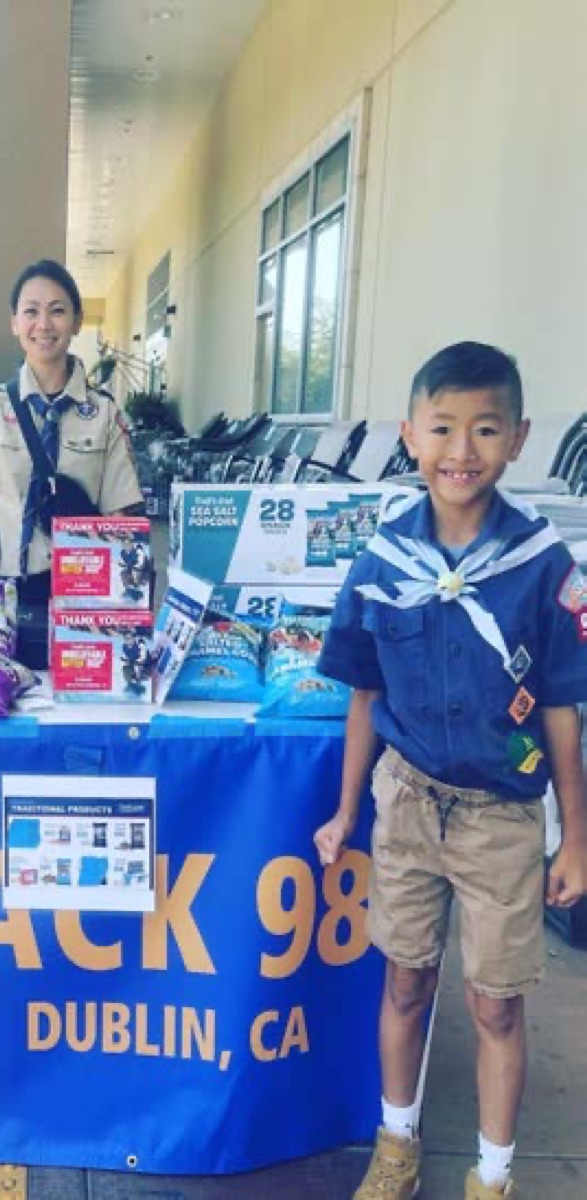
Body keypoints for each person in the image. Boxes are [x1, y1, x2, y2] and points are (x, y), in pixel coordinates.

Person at [313, 341, 587, 1200]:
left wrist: (575, 838)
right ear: (409, 434)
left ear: (518, 438)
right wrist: (345, 809)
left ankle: (492, 1178)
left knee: (495, 1002)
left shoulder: (543, 568)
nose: (460, 450)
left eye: (484, 429)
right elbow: (363, 694)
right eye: (441, 428)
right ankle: (395, 1148)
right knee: (404, 980)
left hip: (501, 817)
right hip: (405, 803)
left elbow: (560, 709)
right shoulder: (380, 562)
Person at [0, 258, 143, 617]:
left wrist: (118, 616)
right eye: (31, 311)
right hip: (14, 593)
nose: (43, 325)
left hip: (85, 595)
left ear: (77, 321)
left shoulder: (105, 414)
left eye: (57, 311)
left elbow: (117, 518)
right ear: (14, 323)